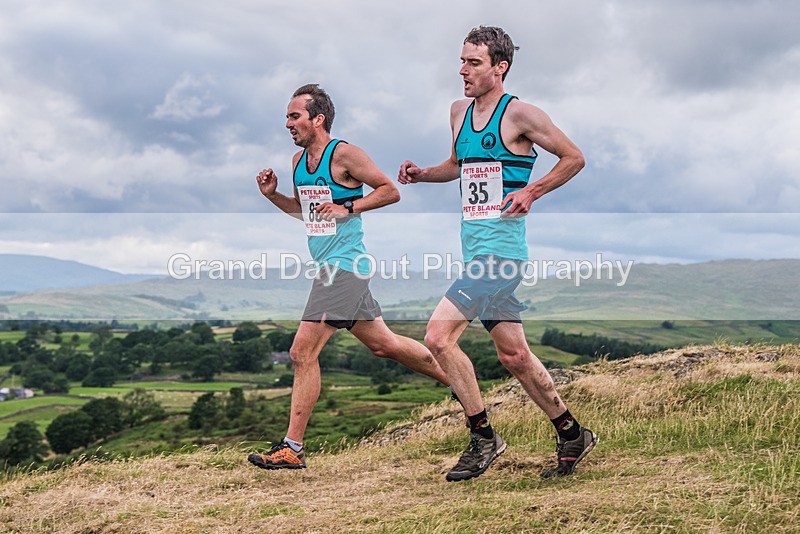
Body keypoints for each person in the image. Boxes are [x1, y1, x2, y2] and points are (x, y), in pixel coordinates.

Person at [398, 26, 597, 481]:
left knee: (437, 338)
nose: (462, 70)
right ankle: (572, 434)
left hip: (502, 253)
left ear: (499, 67)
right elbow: (457, 166)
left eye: (473, 63)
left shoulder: (521, 114)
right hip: (474, 250)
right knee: (515, 357)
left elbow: (573, 157)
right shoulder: (458, 112)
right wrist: (422, 173)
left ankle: (483, 438)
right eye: (462, 61)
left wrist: (532, 190)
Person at [247, 84, 452, 470]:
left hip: (345, 267)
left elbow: (390, 191)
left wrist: (348, 206)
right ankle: (459, 383)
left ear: (317, 119)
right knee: (385, 345)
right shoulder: (296, 162)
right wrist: (273, 195)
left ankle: (292, 448)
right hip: (327, 267)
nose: (287, 123)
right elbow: (308, 213)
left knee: (301, 352)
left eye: (294, 116)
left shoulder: (345, 154)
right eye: (287, 116)